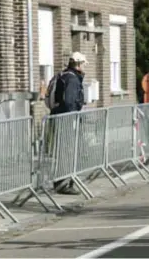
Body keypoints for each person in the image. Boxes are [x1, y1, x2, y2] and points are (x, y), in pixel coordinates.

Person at [50, 52, 87, 195]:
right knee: (66, 151)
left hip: (60, 117)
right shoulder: (72, 80)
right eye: (83, 64)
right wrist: (73, 118)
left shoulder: (64, 75)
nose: (85, 67)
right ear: (77, 64)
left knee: (63, 151)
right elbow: (70, 102)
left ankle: (64, 182)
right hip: (66, 119)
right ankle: (63, 184)